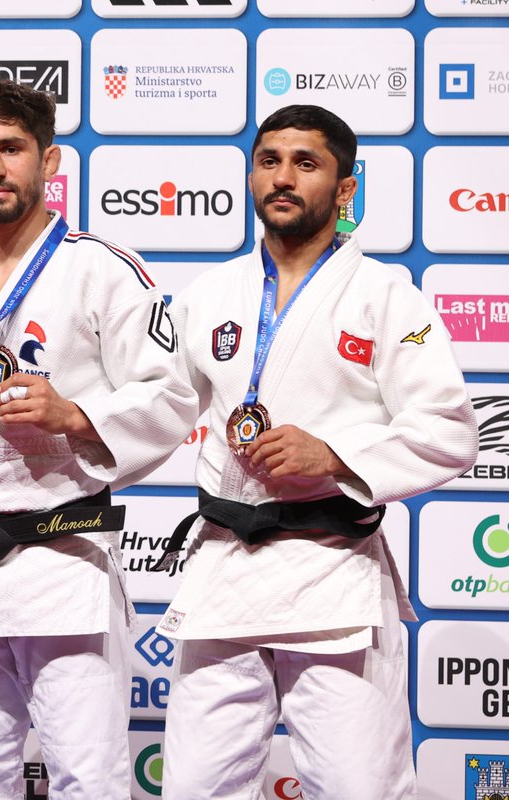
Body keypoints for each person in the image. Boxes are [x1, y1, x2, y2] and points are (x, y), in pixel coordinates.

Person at [156, 104, 477, 799]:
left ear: (344, 188)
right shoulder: (210, 295)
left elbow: (450, 430)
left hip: (332, 573)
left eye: (307, 163)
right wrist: (71, 414)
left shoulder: (389, 297)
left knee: (361, 788)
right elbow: (155, 409)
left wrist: (335, 456)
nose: (283, 177)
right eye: (269, 160)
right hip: (225, 566)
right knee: (191, 789)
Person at [0, 80, 199, 799]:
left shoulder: (103, 270)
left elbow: (171, 393)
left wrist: (77, 416)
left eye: (11, 150)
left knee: (88, 779)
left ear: (49, 161)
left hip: (65, 563)